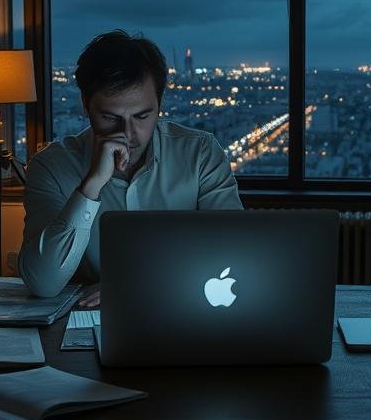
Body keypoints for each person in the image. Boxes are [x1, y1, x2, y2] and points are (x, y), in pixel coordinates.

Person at [17, 30, 243, 305]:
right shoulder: (51, 166)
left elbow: (233, 254)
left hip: (184, 309)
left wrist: (140, 285)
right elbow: (43, 282)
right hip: (86, 318)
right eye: (110, 117)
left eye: (142, 116)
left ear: (160, 104)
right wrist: (90, 187)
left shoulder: (200, 153)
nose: (128, 134)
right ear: (85, 105)